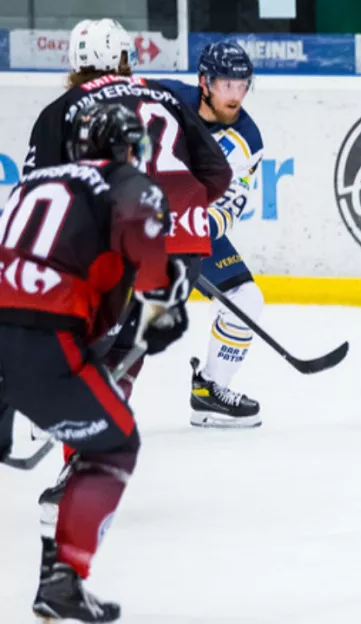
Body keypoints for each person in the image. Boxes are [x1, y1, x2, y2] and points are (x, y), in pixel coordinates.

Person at [0, 102, 190, 623]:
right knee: (114, 443)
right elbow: (151, 288)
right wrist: (164, 303)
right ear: (130, 149)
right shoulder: (130, 185)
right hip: (42, 339)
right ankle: (62, 580)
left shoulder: (33, 182)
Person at [22, 18, 232, 402]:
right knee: (129, 338)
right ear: (119, 56)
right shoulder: (165, 96)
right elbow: (218, 173)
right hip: (181, 258)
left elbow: (41, 194)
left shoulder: (62, 110)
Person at [159, 41, 265, 427]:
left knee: (246, 297)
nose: (236, 96)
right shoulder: (165, 98)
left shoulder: (247, 139)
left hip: (188, 228)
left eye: (242, 86)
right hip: (132, 219)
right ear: (205, 82)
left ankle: (210, 391)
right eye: (227, 85)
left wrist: (186, 233)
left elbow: (228, 207)